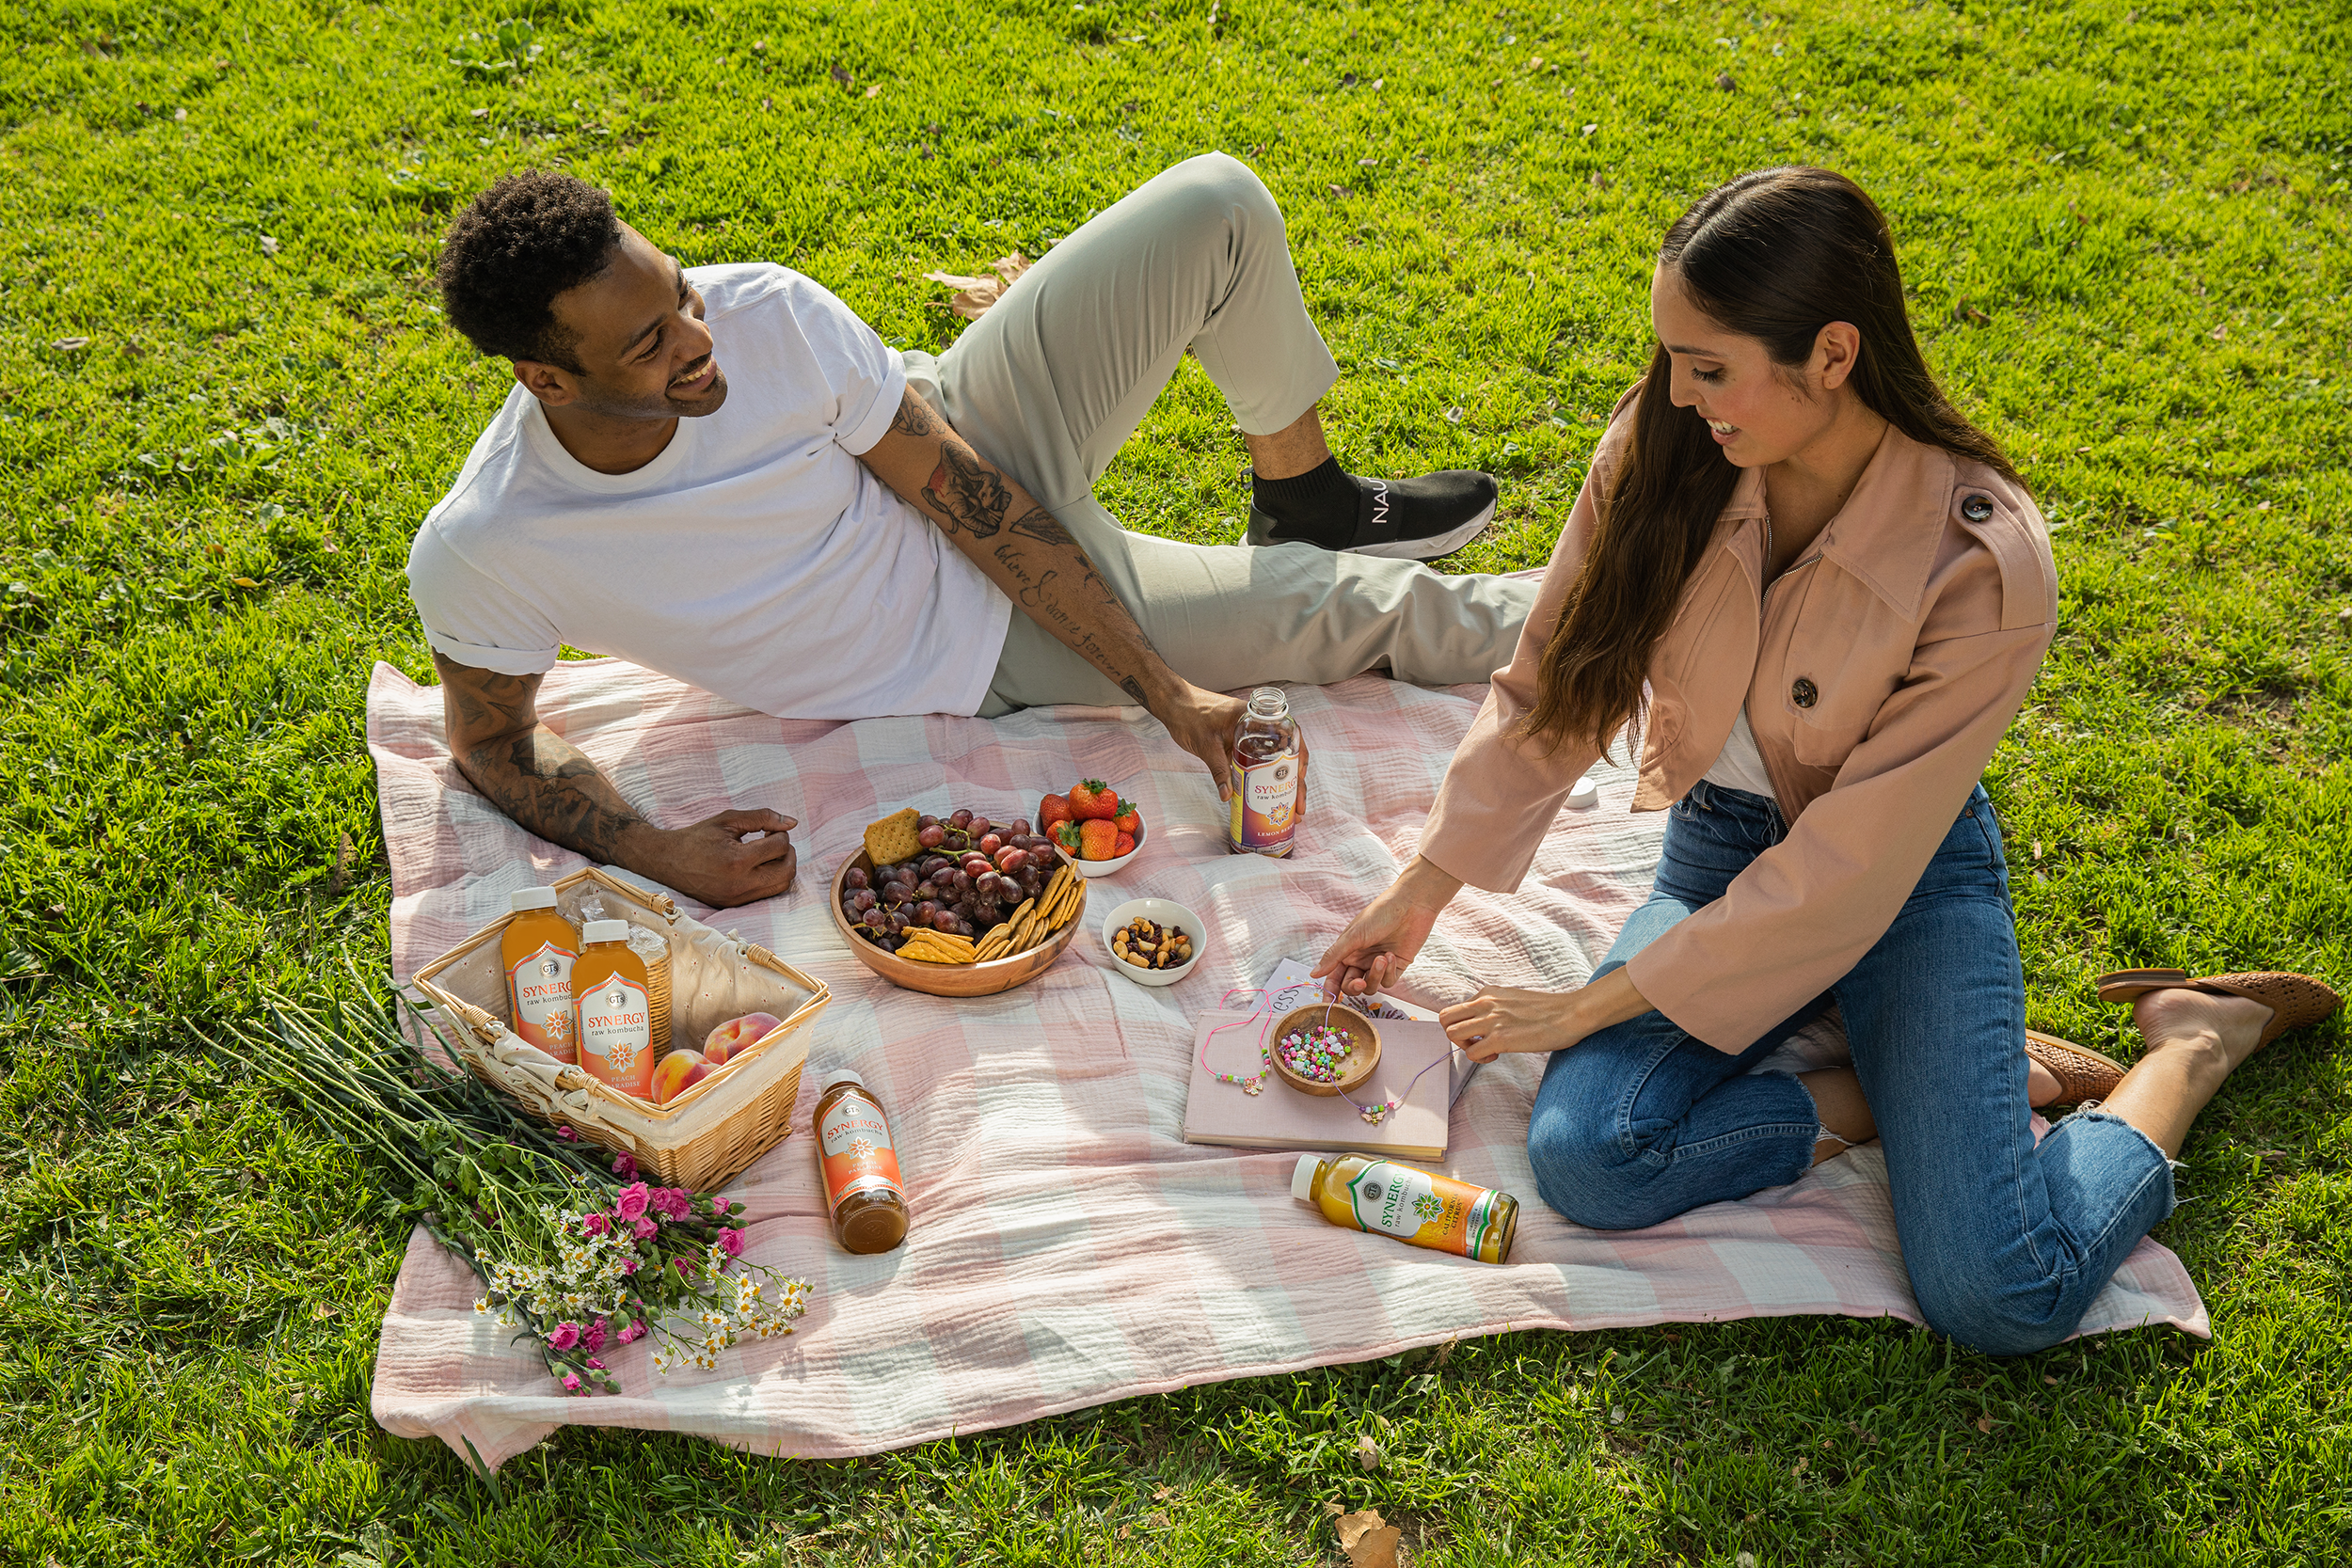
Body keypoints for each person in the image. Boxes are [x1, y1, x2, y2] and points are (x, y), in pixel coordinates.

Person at [1315, 166, 2340, 1354]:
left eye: (1711, 366)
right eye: (1669, 359)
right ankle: (1937, 1081)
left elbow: (1849, 870)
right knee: (1589, 1157)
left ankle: (2191, 1038)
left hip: (1903, 884)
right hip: (1719, 849)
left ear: (1834, 354)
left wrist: (1588, 1003)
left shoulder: (1983, 562)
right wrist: (1421, 884)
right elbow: (1558, 680)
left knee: (1998, 1294)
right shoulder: (1668, 444)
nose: (1677, 395)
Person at [411, 154, 1537, 907]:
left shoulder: (763, 314)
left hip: (962, 444)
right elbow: (491, 740)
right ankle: (1625, 601)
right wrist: (656, 851)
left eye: (682, 297)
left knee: (1216, 205)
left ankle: (1309, 497)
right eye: (651, 345)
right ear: (547, 378)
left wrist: (1161, 690)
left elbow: (961, 493)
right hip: (969, 637)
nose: (701, 340)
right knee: (1356, 613)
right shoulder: (493, 543)